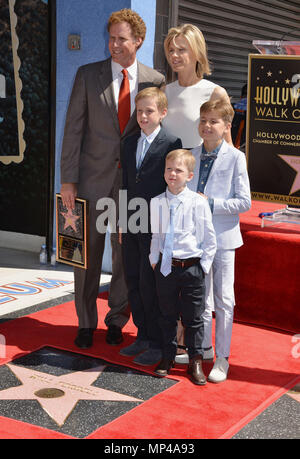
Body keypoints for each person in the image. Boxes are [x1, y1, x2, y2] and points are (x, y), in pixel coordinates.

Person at [60, 9, 165, 349]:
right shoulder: (87, 75)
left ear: (138, 41)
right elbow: (73, 130)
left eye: (122, 39)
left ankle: (117, 319)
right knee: (84, 255)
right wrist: (67, 181)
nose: (114, 44)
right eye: (111, 37)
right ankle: (86, 323)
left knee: (125, 256)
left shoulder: (155, 80)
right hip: (89, 183)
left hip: (131, 186)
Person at [162, 23, 232, 363]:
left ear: (197, 53)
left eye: (182, 50)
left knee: (195, 271)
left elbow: (227, 152)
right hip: (169, 188)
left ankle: (198, 343)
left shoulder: (214, 91)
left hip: (199, 196)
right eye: (171, 50)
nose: (175, 56)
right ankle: (176, 337)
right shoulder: (165, 90)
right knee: (171, 263)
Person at [188, 99, 251, 382]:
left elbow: (244, 202)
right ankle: (205, 350)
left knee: (224, 299)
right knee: (201, 299)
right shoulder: (190, 155)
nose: (206, 126)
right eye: (203, 120)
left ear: (227, 126)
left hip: (224, 239)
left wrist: (210, 204)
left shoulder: (236, 158)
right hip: (196, 240)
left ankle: (223, 358)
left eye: (213, 121)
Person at [119, 87, 182, 366]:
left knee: (151, 283)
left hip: (156, 223)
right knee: (132, 279)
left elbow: (173, 186)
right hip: (131, 220)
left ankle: (158, 341)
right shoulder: (129, 142)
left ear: (162, 113)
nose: (143, 116)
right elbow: (125, 184)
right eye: (139, 111)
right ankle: (142, 334)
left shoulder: (171, 142)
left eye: (149, 111)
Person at [149, 149, 217, 385]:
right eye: (169, 169)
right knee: (166, 315)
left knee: (193, 317)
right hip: (166, 267)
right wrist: (154, 260)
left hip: (192, 268)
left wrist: (203, 268)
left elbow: (209, 239)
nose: (172, 174)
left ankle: (195, 360)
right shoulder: (156, 202)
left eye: (178, 170)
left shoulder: (198, 203)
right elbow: (156, 236)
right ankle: (167, 357)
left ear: (189, 175)